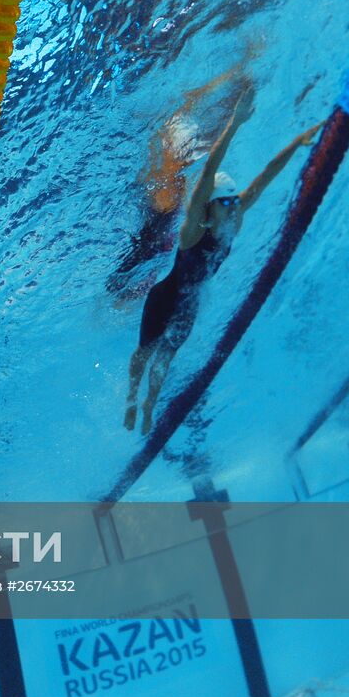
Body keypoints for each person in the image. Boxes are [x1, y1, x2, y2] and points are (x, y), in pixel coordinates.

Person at [124, 83, 322, 432]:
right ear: (209, 206)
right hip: (164, 297)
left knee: (166, 359)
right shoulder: (192, 233)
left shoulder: (235, 216)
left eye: (234, 201)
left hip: (189, 304)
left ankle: (149, 405)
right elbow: (205, 177)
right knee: (144, 353)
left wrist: (295, 144)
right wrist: (235, 123)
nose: (233, 207)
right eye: (226, 202)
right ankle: (130, 398)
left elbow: (266, 176)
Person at [109, 62, 251, 300]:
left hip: (153, 231)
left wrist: (233, 78)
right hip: (154, 234)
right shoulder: (167, 183)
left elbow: (193, 103)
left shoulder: (166, 172)